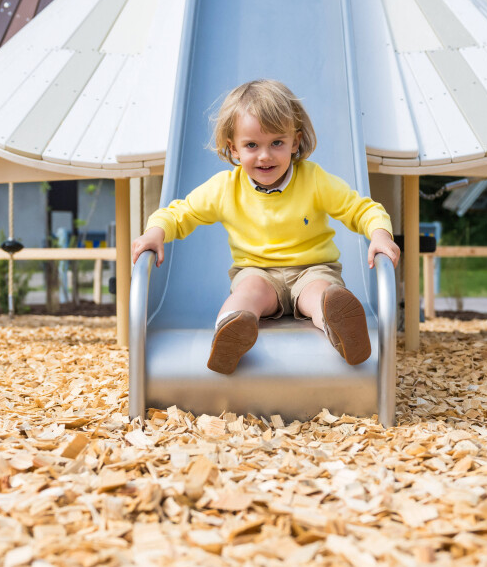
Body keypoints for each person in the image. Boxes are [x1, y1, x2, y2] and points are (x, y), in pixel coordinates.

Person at [131, 79, 400, 374]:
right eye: (251, 145)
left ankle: (340, 329)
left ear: (295, 142)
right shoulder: (225, 188)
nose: (265, 155)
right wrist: (156, 231)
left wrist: (379, 234)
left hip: (312, 268)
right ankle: (231, 332)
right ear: (233, 149)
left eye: (277, 143)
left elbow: (359, 208)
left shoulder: (313, 179)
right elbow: (181, 212)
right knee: (248, 294)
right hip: (257, 272)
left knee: (320, 294)